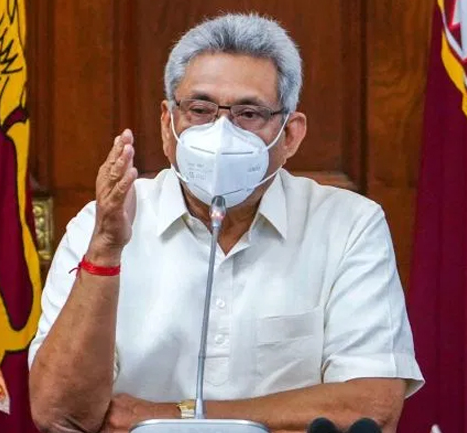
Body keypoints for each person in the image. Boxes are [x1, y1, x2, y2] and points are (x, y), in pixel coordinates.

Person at [28, 13, 424, 433]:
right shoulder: (103, 223)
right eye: (199, 110)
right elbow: (60, 416)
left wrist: (164, 417)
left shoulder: (347, 225)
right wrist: (106, 251)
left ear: (289, 135)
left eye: (248, 114)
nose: (221, 133)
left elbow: (370, 407)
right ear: (167, 126)